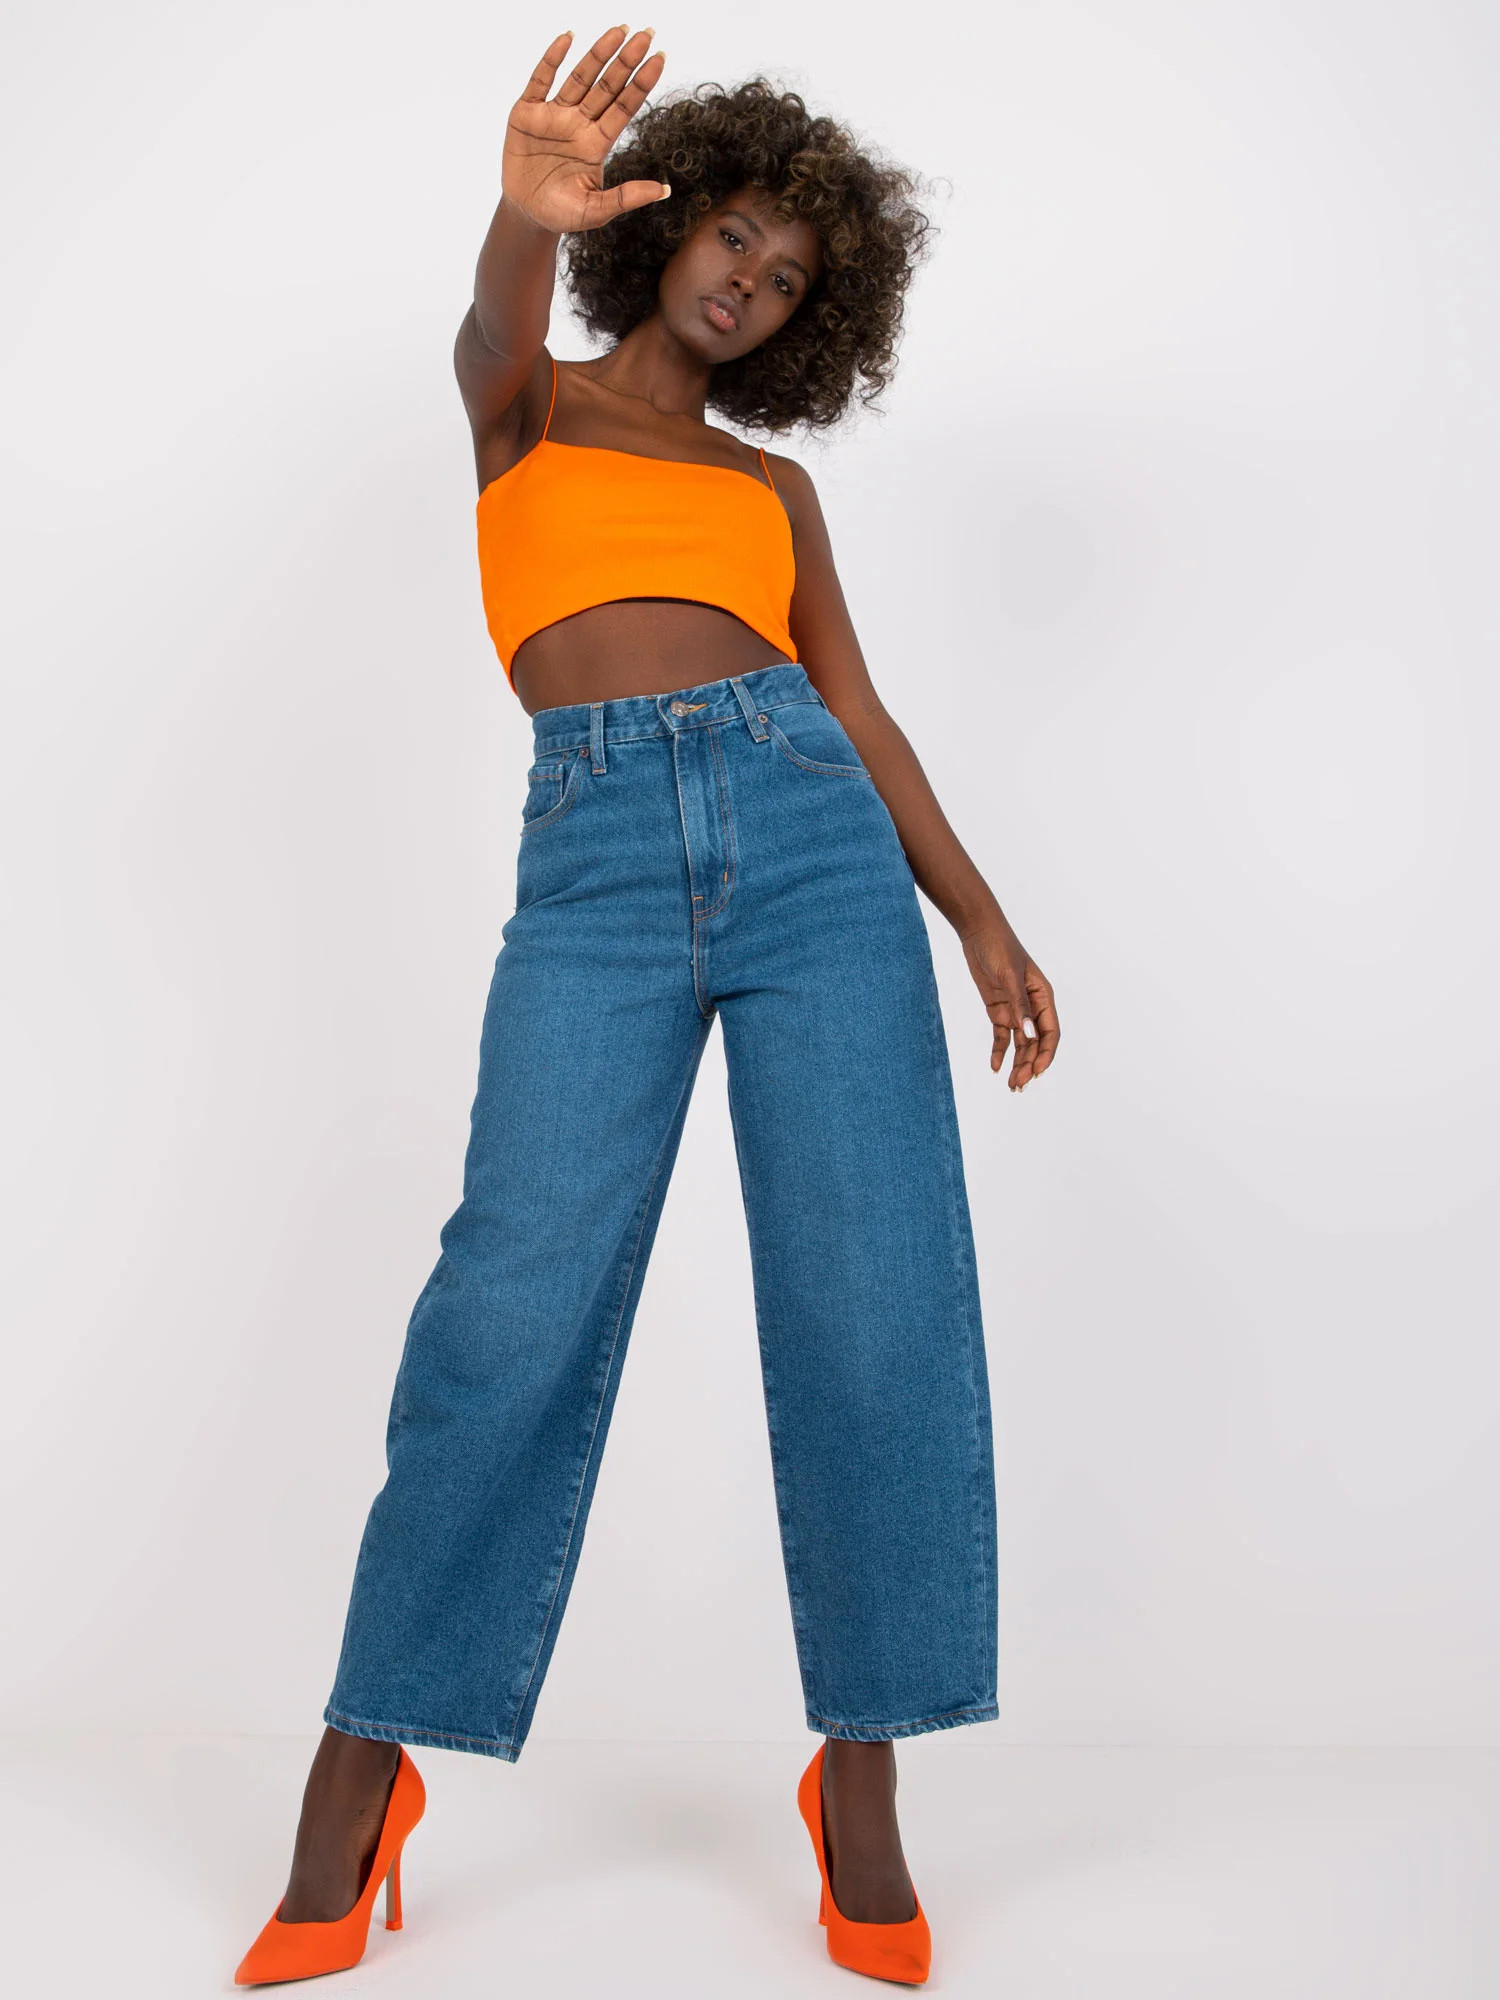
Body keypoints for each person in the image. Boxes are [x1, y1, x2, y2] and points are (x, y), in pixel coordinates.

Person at [234, 23, 1060, 1990]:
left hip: (815, 841)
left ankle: (862, 1780)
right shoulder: (526, 403)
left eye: (787, 274)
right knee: (509, 1303)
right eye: (732, 237)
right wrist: (519, 218)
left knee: (872, 1299)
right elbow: (486, 325)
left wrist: (977, 917)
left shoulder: (774, 490)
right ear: (662, 224)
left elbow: (857, 709)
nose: (747, 280)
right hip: (596, 860)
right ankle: (360, 1774)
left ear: (809, 321)